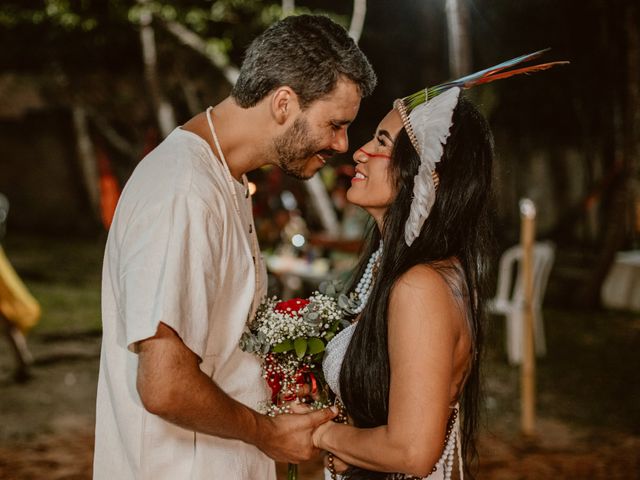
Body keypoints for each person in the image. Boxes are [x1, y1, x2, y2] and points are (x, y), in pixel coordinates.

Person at [93, 14, 376, 480]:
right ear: (284, 103)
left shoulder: (223, 179)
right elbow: (164, 385)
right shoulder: (184, 190)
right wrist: (267, 432)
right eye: (335, 124)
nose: (342, 144)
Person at [314, 52, 564, 479]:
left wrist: (320, 437)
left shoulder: (421, 286)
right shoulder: (397, 268)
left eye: (382, 143)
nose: (359, 152)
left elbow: (411, 450)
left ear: (428, 174)